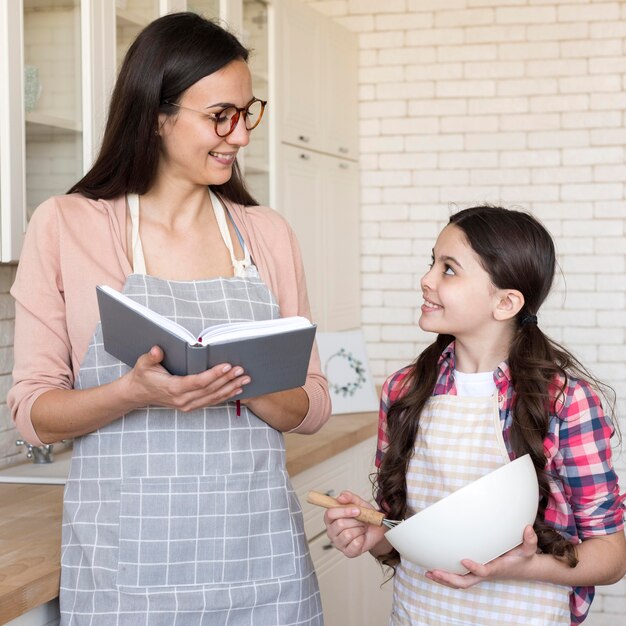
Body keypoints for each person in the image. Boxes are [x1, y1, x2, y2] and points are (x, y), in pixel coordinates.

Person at [8, 12, 330, 625]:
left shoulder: (266, 235)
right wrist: (131, 392)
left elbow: (312, 405)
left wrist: (246, 383)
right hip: (127, 569)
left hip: (259, 564)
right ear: (157, 115)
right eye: (219, 116)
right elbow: (33, 413)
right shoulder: (69, 226)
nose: (238, 135)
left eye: (246, 112)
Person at [323, 206, 626, 625]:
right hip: (419, 613)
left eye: (449, 269)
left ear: (505, 302)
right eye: (433, 262)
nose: (426, 280)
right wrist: (374, 534)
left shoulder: (564, 402)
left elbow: (611, 556)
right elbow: (402, 536)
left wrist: (524, 566)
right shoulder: (403, 391)